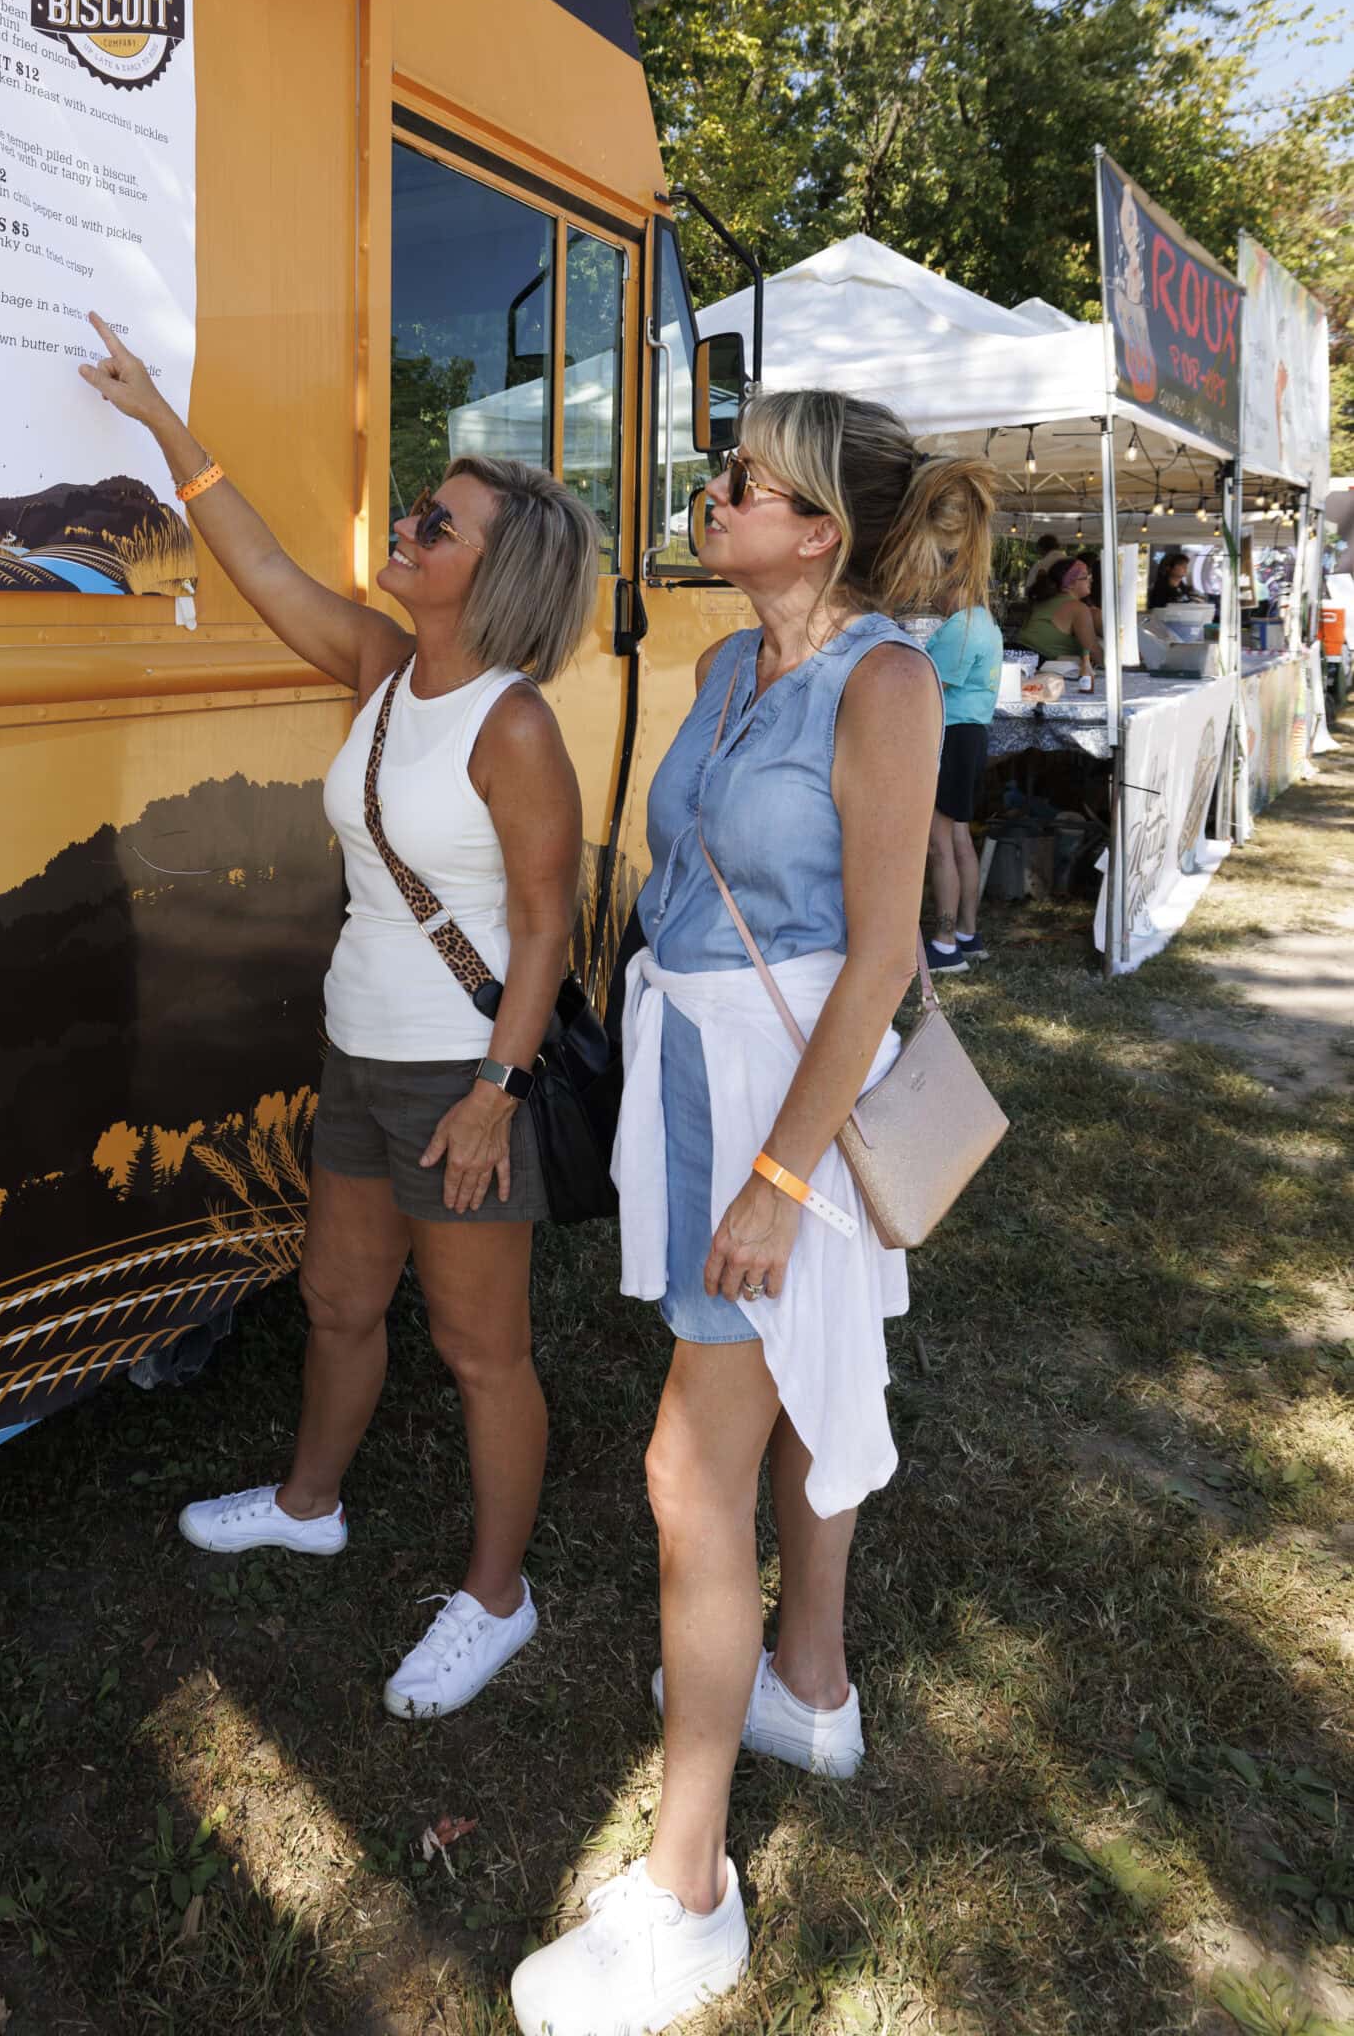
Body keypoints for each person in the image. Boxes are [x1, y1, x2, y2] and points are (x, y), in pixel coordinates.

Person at [511, 391, 995, 2036]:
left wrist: (783, 1180)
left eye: (743, 483)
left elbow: (877, 956)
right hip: (700, 1074)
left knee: (683, 1466)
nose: (709, 497)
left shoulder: (884, 681)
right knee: (787, 1392)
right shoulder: (728, 667)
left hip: (792, 1098)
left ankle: (687, 1891)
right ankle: (807, 1684)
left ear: (819, 533)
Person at [79, 314, 599, 1719]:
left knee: (483, 1348)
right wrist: (161, 426)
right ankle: (312, 1503)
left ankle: (499, 1596)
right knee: (335, 1297)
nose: (415, 526)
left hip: (458, 1076)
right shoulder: (382, 669)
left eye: (443, 522)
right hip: (361, 1051)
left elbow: (547, 926)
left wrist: (499, 1090)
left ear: (497, 577)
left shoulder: (514, 725)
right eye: (424, 508)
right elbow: (255, 565)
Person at [923, 575, 1004, 975]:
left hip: (951, 735)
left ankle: (945, 943)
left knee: (939, 845)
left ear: (957, 586)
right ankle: (968, 935)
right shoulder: (985, 622)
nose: (932, 596)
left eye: (936, 588)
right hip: (970, 733)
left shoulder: (962, 626)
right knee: (958, 838)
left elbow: (930, 683)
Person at [1016, 554, 1099, 684]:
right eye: (1085, 577)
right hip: (1040, 669)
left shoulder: (1045, 600)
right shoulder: (1077, 607)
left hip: (1018, 662)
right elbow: (1093, 650)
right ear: (1070, 584)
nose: (1091, 580)